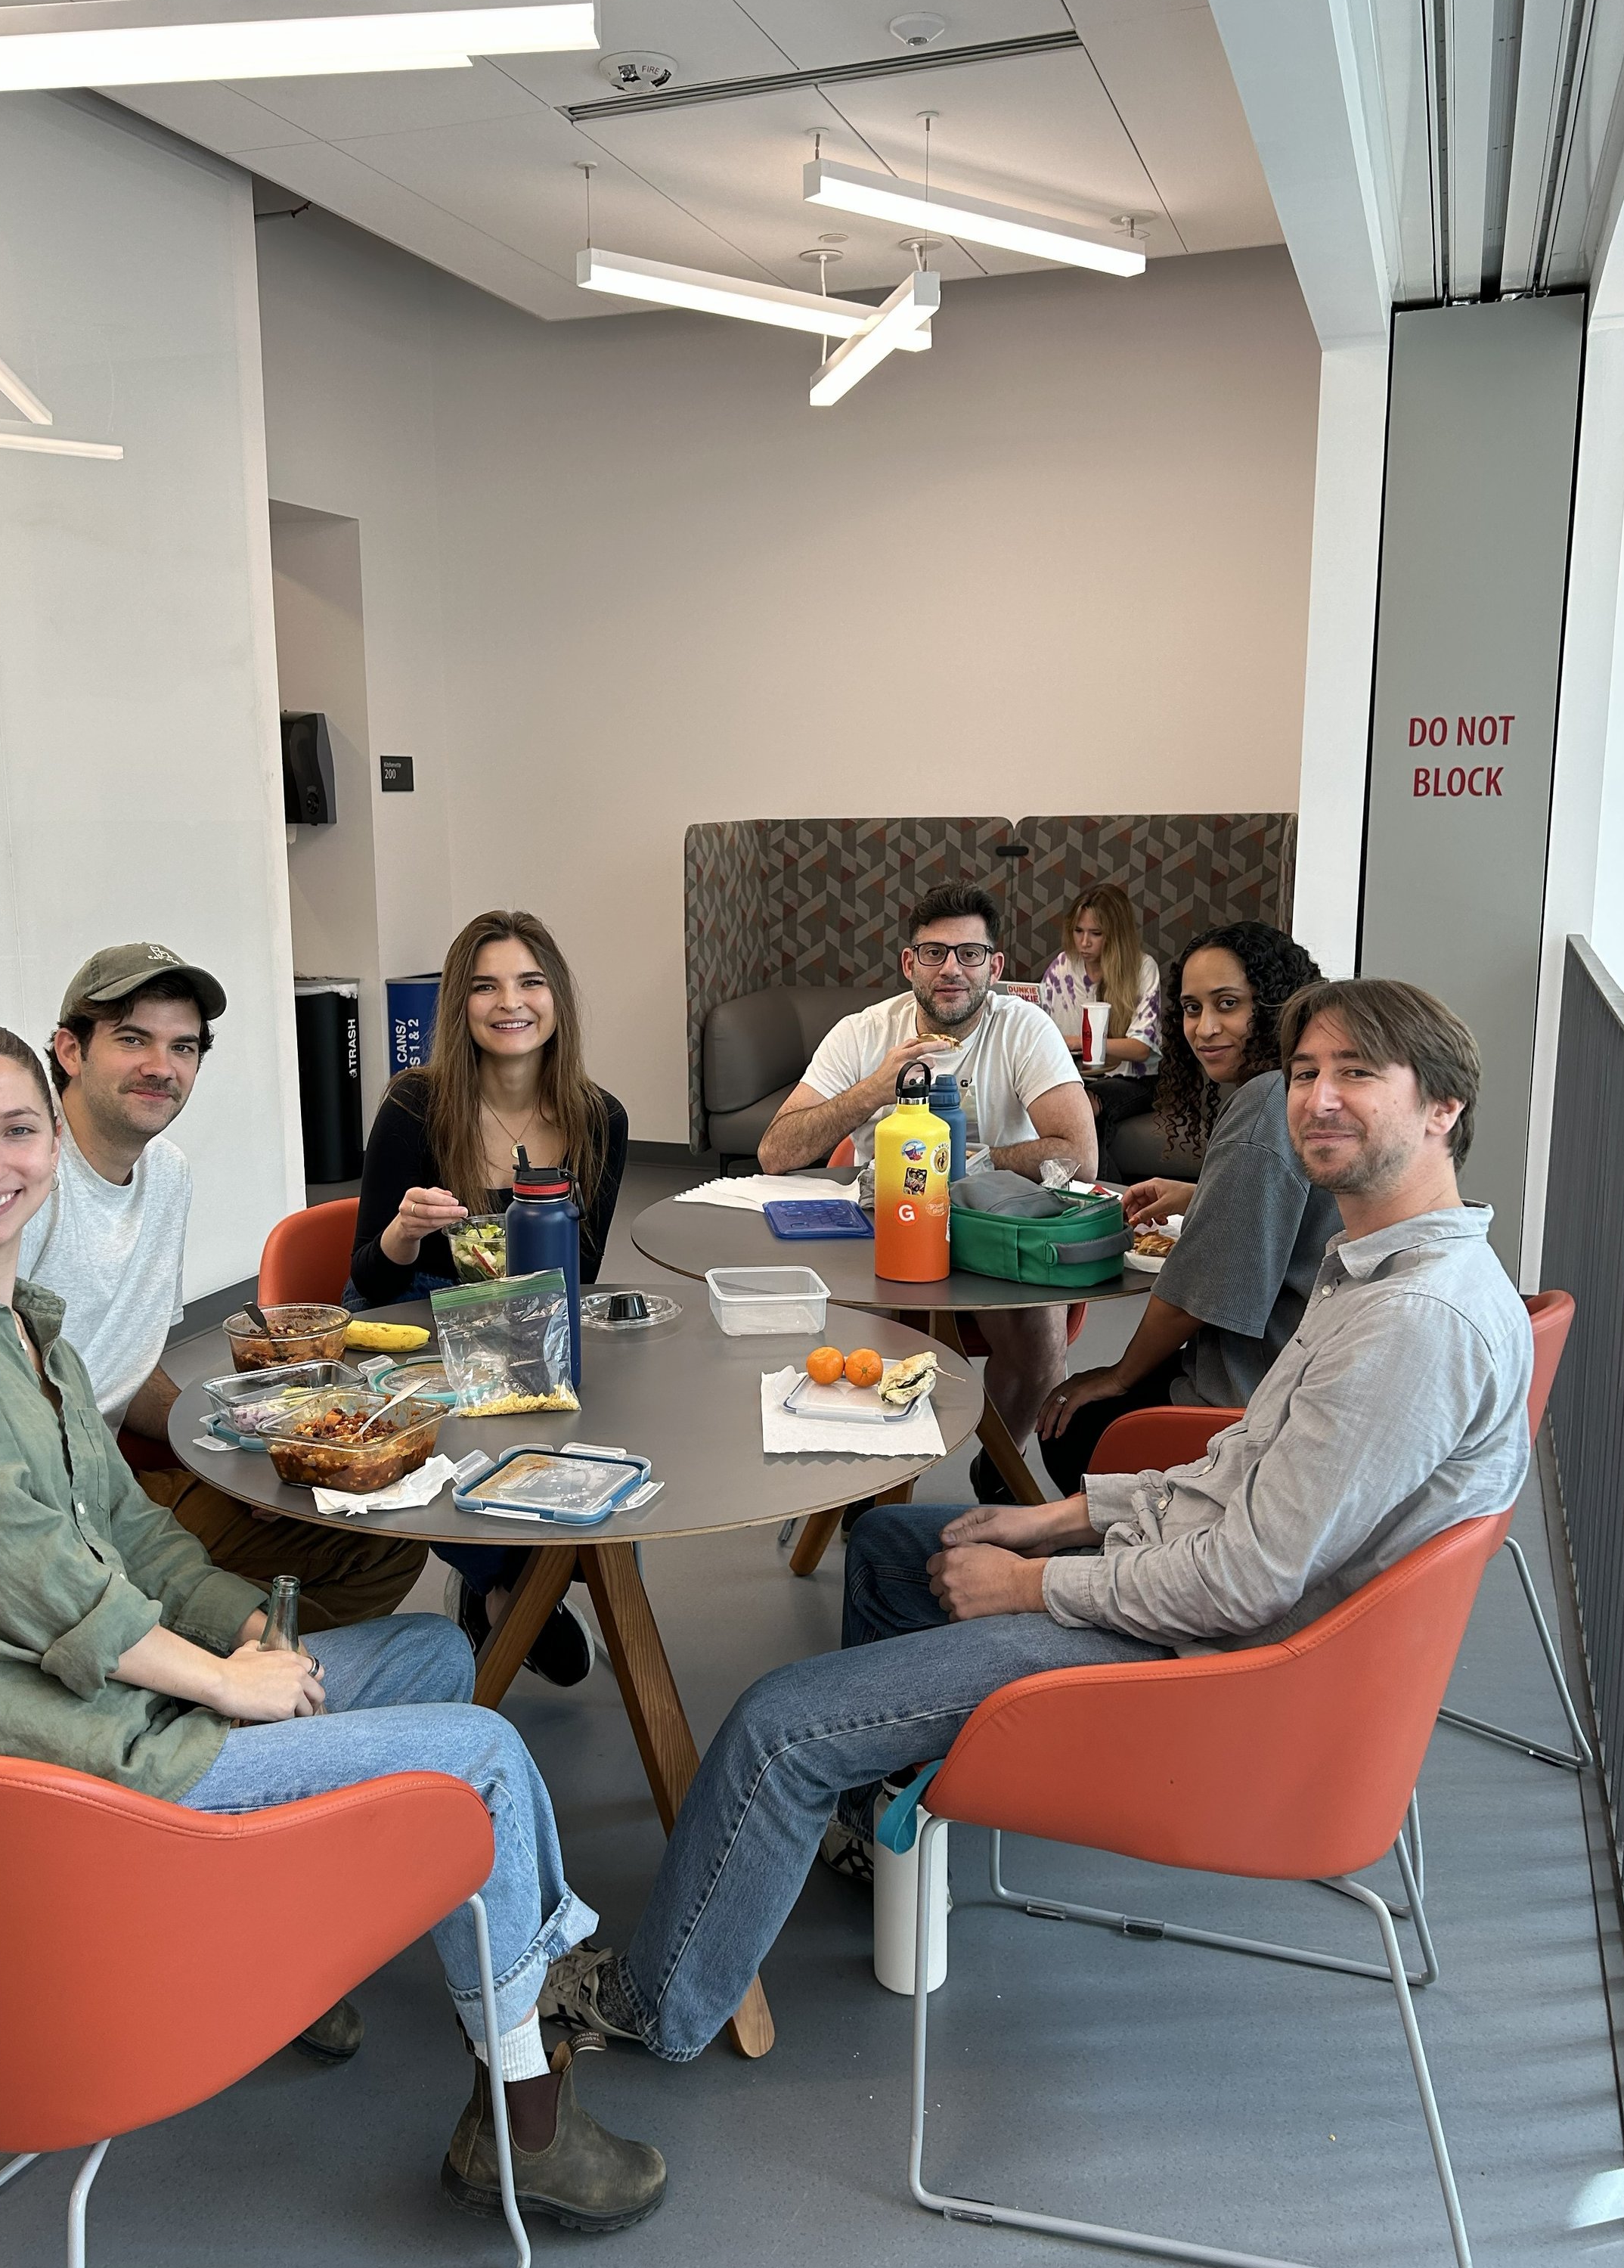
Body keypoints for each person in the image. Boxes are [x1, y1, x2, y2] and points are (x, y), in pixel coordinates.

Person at [536, 979, 1533, 2062]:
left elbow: (1247, 1579)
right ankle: (885, 1828)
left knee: (779, 1727)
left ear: (1442, 1107)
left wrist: (1032, 1584)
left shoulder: (1413, 1322)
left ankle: (654, 2002)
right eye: (1304, 1074)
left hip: (1220, 1666)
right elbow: (1235, 1476)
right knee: (889, 1545)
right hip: (1205, 1592)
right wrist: (1058, 1520)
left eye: (1356, 1075)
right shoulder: (1386, 1270)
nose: (1318, 1099)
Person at [0, 1017, 665, 2232]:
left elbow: (132, 1538)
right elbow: (19, 1577)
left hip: (101, 1708)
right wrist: (216, 1678)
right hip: (41, 1768)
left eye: (15, 1129)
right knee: (489, 1757)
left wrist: (242, 1622)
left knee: (435, 1650)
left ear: (49, 1144)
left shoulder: (22, 1326)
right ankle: (524, 2122)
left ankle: (291, 1932)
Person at [19, 945, 426, 1639]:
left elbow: (124, 1362)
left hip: (122, 1478)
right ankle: (208, 1666)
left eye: (183, 1046)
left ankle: (229, 1666)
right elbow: (0, 1410)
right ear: (69, 1051)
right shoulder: (19, 1183)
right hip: (52, 1515)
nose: (161, 1066)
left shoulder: (166, 1174)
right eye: (131, 1039)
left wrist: (227, 1447)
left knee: (388, 1542)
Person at [351, 911, 629, 1689]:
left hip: (532, 1319)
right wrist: (406, 1232)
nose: (510, 1002)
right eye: (485, 986)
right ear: (458, 1005)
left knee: (595, 1452)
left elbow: (583, 1275)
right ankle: (505, 1588)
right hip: (416, 1310)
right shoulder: (414, 1105)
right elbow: (369, 1279)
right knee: (447, 1448)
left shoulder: (598, 1117)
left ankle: (512, 1585)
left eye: (530, 982)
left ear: (557, 999)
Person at [758, 881, 1096, 1500]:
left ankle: (1000, 1468)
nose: (952, 970)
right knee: (840, 1332)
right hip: (880, 1226)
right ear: (909, 963)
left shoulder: (1024, 1028)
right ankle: (866, 1480)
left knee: (1043, 1334)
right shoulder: (864, 1032)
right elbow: (776, 1152)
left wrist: (971, 1160)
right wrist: (873, 1091)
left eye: (969, 955)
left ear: (994, 966)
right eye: (934, 953)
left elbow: (1079, 1154)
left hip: (993, 1230)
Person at [1035, 923, 1331, 1494]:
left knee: (1070, 1429)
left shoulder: (1267, 1099)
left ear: (1274, 1005)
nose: (1205, 1028)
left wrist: (1118, 1375)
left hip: (1253, 1405)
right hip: (1305, 1374)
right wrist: (1201, 1193)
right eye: (1192, 1009)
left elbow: (1201, 1291)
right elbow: (1299, 1203)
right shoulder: (1301, 1088)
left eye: (1228, 1004)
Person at [1037, 883, 1161, 1162]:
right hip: (1077, 1077)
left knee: (1085, 1106)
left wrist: (1082, 1041)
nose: (1084, 943)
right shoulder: (1062, 967)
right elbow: (1040, 1025)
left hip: (1136, 1080)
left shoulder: (1142, 969)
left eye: (1096, 934)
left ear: (1115, 935)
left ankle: (1099, 1194)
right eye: (1078, 932)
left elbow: (1142, 1048)